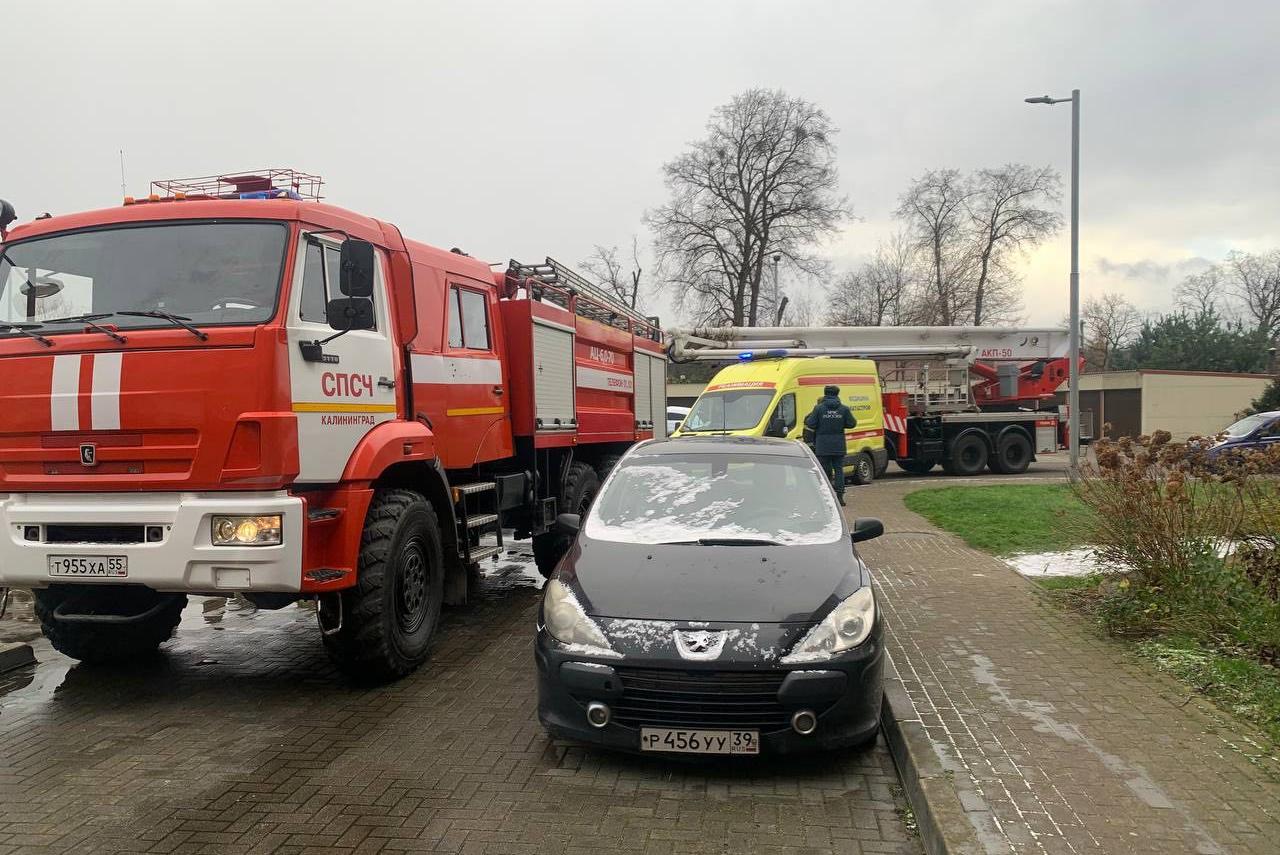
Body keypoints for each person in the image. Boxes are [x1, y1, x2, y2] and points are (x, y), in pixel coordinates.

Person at [804, 385, 856, 505]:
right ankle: (840, 497)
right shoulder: (844, 409)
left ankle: (827, 496)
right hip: (839, 444)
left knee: (825, 471)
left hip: (823, 445)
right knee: (839, 470)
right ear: (837, 394)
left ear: (825, 393)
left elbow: (810, 423)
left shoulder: (819, 409)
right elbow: (852, 423)